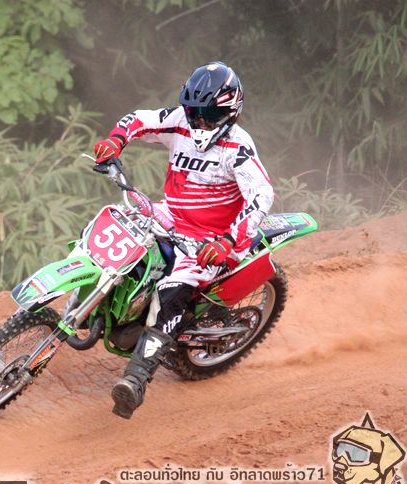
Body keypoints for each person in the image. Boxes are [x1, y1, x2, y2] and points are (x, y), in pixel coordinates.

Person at [92, 61, 274, 419]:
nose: (198, 121)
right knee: (121, 230)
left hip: (212, 240)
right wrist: (116, 140)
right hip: (171, 215)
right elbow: (139, 119)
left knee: (171, 293)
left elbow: (261, 196)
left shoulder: (237, 148)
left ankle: (136, 379)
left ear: (230, 111)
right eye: (193, 111)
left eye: (207, 115)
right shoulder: (179, 121)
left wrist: (227, 241)